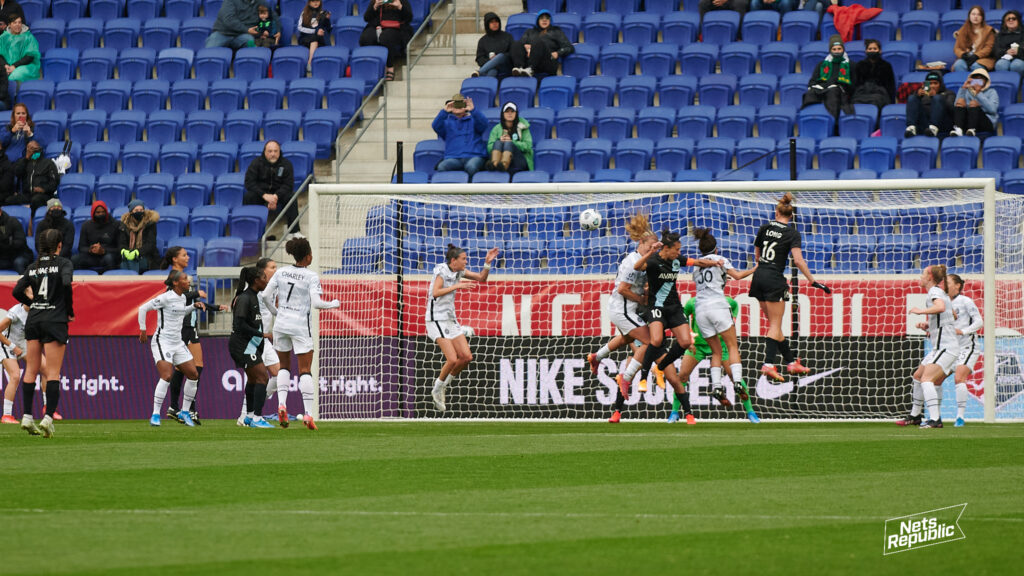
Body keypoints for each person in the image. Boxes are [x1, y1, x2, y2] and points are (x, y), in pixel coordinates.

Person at [260, 237, 340, 430]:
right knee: (304, 370)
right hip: (300, 326)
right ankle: (308, 414)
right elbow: (317, 303)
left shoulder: (281, 272)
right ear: (308, 255)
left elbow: (264, 296)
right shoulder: (311, 276)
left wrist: (276, 313)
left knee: (284, 367)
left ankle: (281, 405)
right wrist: (334, 303)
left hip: (281, 324)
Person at [750, 192, 831, 382]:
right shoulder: (791, 233)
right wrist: (812, 280)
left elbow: (756, 256)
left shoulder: (764, 228)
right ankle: (768, 364)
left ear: (776, 212)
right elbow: (798, 260)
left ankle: (791, 362)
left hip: (759, 276)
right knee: (775, 326)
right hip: (774, 279)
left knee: (774, 327)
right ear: (791, 216)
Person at [587, 213, 656, 425]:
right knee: (648, 341)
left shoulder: (640, 260)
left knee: (626, 339)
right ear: (642, 243)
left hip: (624, 310)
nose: (654, 249)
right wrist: (642, 299)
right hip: (623, 309)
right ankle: (626, 378)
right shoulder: (631, 262)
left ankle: (595, 357)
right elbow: (623, 289)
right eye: (652, 246)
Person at [12, 228, 73, 438]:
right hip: (55, 320)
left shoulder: (33, 267)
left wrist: (34, 303)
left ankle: (27, 416)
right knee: (53, 372)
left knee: (31, 370)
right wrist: (69, 310)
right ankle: (47, 418)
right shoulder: (64, 263)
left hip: (35, 320)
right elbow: (66, 283)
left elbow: (16, 291)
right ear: (59, 245)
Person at [424, 242, 499, 413]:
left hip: (450, 319)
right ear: (453, 260)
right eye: (463, 259)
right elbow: (435, 292)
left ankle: (443, 386)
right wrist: (457, 286)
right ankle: (437, 389)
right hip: (436, 319)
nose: (466, 262)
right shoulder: (441, 271)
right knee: (452, 359)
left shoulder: (459, 271)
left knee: (466, 357)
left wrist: (487, 262)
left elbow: (482, 278)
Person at [668, 295, 761, 424]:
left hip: (721, 345)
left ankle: (751, 412)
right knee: (682, 376)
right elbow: (682, 317)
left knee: (735, 377)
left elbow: (734, 307)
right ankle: (674, 412)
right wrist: (689, 335)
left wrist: (732, 320)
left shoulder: (729, 302)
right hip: (698, 346)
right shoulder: (692, 302)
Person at [158, 245, 225, 425]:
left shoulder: (184, 277)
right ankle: (186, 409)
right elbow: (172, 297)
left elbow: (192, 300)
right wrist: (196, 293)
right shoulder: (174, 277)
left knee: (187, 369)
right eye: (184, 255)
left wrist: (213, 307)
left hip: (190, 325)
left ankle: (177, 407)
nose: (187, 257)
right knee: (195, 368)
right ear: (174, 259)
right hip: (182, 327)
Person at [630, 229, 696, 403]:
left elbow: (695, 261)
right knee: (656, 340)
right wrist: (651, 251)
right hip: (656, 307)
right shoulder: (653, 261)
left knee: (685, 342)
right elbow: (637, 267)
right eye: (677, 249)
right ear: (666, 248)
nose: (679, 253)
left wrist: (713, 262)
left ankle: (659, 368)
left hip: (674, 307)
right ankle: (643, 376)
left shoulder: (677, 261)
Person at [138, 270, 203, 427]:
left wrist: (193, 306)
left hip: (178, 343)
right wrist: (143, 329)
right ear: (176, 283)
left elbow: (181, 311)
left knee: (194, 374)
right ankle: (155, 415)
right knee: (167, 376)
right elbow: (142, 308)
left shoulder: (182, 298)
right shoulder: (165, 298)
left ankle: (185, 412)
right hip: (163, 341)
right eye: (185, 279)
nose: (188, 282)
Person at [898, 265, 960, 429]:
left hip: (946, 347)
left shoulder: (935, 292)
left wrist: (920, 311)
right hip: (940, 346)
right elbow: (952, 315)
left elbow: (940, 308)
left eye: (923, 274)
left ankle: (935, 419)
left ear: (930, 277)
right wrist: (929, 325)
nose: (920, 277)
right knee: (918, 376)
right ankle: (915, 415)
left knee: (927, 379)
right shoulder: (940, 292)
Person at [237, 257, 284, 427]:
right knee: (254, 379)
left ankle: (254, 407)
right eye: (272, 267)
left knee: (280, 374)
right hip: (252, 339)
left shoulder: (272, 288)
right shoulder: (253, 290)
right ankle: (245, 416)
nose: (275, 269)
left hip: (263, 339)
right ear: (262, 271)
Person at [231, 265, 275, 428]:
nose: (266, 280)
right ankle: (257, 418)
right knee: (262, 377)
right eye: (264, 277)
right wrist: (262, 334)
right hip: (243, 345)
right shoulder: (245, 298)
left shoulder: (254, 296)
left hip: (249, 345)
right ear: (256, 280)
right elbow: (239, 324)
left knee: (252, 379)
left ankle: (249, 416)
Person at [948, 274, 982, 428]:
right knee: (932, 379)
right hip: (949, 348)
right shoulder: (942, 303)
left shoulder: (966, 301)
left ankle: (960, 417)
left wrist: (964, 331)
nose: (945, 285)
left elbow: (979, 321)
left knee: (959, 377)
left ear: (957, 286)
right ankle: (934, 418)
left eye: (948, 282)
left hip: (968, 346)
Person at [244, 140, 299, 235]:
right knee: (249, 196)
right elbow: (249, 183)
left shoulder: (286, 164)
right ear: (264, 152)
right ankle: (251, 231)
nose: (273, 154)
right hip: (261, 195)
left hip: (279, 195)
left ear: (279, 152)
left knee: (291, 197)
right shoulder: (256, 163)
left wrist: (275, 197)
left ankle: (294, 232)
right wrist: (264, 195)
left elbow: (288, 185)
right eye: (270, 151)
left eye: (275, 151)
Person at [803, 34, 855, 129]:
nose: (837, 51)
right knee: (810, 94)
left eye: (839, 49)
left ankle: (833, 125)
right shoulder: (822, 64)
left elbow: (854, 83)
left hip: (839, 90)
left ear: (843, 49)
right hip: (822, 89)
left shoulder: (850, 65)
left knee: (833, 92)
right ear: (830, 50)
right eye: (834, 49)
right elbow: (813, 80)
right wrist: (816, 86)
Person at [432, 93, 488, 176]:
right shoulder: (447, 123)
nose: (458, 107)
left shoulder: (473, 120)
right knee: (442, 166)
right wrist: (444, 112)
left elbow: (484, 124)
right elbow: (435, 126)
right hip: (453, 157)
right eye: (455, 104)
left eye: (460, 104)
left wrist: (473, 110)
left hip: (473, 156)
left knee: (471, 166)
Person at [359, 0, 413, 82]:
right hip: (376, 27)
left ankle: (389, 67)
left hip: (396, 28)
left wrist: (400, 7)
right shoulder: (375, 1)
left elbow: (409, 18)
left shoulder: (401, 1)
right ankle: (372, 67)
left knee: (386, 38)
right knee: (366, 38)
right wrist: (375, 6)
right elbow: (366, 18)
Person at [509, 10, 574, 78]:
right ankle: (519, 68)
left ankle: (530, 69)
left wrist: (558, 53)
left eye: (547, 18)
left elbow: (569, 47)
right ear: (538, 20)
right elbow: (521, 44)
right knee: (516, 43)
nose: (544, 20)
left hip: (547, 61)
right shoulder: (530, 31)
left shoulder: (556, 32)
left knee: (538, 42)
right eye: (542, 18)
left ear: (550, 20)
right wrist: (527, 48)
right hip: (530, 58)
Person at [0, 291, 30, 424]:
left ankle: (49, 410)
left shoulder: (38, 311)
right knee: (15, 375)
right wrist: (13, 347)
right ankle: (6, 415)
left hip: (23, 344)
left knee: (46, 369)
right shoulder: (16, 312)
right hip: (7, 344)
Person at [206, 0, 281, 50]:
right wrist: (247, 30)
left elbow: (273, 16)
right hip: (223, 33)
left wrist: (278, 30)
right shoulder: (230, 1)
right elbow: (228, 20)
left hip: (242, 35)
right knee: (209, 52)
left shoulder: (261, 2)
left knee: (251, 43)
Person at [11, 139, 58, 214]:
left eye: (35, 149)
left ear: (39, 149)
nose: (33, 151)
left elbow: (54, 182)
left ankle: (32, 221)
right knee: (8, 200)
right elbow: (17, 173)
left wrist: (43, 189)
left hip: (44, 195)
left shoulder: (48, 163)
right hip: (27, 194)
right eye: (30, 149)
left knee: (36, 200)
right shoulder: (24, 162)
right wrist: (26, 158)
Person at [71, 201, 119, 274]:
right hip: (91, 256)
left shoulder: (115, 225)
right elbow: (81, 247)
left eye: (103, 212)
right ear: (93, 213)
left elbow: (118, 249)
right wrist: (91, 249)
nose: (101, 214)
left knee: (109, 258)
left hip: (108, 255)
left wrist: (103, 250)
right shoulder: (86, 225)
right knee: (75, 259)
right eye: (98, 212)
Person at [485, 102, 533, 175]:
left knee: (509, 143)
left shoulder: (523, 126)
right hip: (499, 161)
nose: (509, 114)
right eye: (507, 111)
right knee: (498, 142)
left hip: (519, 161)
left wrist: (513, 142)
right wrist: (501, 141)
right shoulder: (496, 128)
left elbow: (528, 146)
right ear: (503, 114)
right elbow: (489, 148)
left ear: (516, 113)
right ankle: (494, 164)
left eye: (512, 111)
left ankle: (503, 165)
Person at [904, 71, 954, 138]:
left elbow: (952, 110)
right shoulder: (922, 94)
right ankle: (911, 128)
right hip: (925, 124)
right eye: (930, 83)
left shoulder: (949, 93)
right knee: (912, 98)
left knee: (937, 98)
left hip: (942, 124)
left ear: (940, 84)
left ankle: (933, 128)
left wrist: (937, 96)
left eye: (935, 83)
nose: (932, 86)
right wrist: (917, 95)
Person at [950, 68, 998, 137]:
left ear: (986, 81)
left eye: (981, 79)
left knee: (973, 103)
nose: (977, 81)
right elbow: (957, 105)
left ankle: (972, 129)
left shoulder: (992, 92)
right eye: (975, 79)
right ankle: (958, 129)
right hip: (968, 119)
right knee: (960, 101)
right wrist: (963, 89)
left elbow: (992, 110)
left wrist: (978, 93)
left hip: (986, 121)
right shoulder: (968, 91)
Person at [851, 39, 895, 114]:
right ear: (866, 51)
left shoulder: (886, 65)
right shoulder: (860, 65)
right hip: (862, 92)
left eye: (875, 49)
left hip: (880, 93)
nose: (872, 51)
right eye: (870, 49)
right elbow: (856, 83)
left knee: (876, 102)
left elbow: (890, 85)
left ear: (880, 51)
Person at [118, 200, 160, 273]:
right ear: (131, 212)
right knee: (126, 262)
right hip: (129, 254)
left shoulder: (150, 224)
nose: (139, 212)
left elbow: (151, 244)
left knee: (133, 263)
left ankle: (132, 280)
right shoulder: (124, 225)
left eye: (141, 210)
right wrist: (124, 251)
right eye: (136, 210)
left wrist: (137, 252)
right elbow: (121, 242)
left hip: (147, 255)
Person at [952, 5, 995, 72]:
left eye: (979, 15)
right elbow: (957, 48)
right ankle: (962, 82)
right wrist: (963, 55)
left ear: (982, 17)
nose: (975, 17)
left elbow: (988, 48)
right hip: (966, 57)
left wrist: (976, 56)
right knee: (959, 64)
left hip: (982, 58)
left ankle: (976, 82)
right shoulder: (962, 30)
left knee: (976, 66)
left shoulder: (989, 31)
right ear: (969, 16)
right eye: (973, 14)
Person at [473, 12, 513, 78]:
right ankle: (488, 87)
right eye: (491, 22)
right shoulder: (482, 40)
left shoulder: (507, 36)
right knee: (492, 70)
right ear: (487, 24)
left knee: (500, 56)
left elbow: (512, 52)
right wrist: (491, 62)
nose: (495, 24)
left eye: (496, 21)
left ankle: (479, 72)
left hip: (505, 66)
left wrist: (497, 59)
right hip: (490, 67)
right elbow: (479, 58)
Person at [0, 14, 39, 81]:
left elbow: (30, 56)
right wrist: (5, 65)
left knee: (15, 76)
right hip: (6, 66)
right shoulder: (3, 37)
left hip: (25, 66)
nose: (17, 24)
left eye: (19, 22)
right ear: (9, 24)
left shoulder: (28, 37)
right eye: (15, 22)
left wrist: (14, 66)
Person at [298, 0, 332, 74]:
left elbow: (328, 29)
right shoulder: (304, 13)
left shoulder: (323, 13)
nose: (316, 3)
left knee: (316, 39)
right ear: (309, 2)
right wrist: (314, 31)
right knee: (314, 39)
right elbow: (300, 28)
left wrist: (327, 19)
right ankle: (310, 63)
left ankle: (310, 63)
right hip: (306, 38)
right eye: (313, 1)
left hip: (320, 39)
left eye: (317, 1)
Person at [0, 203, 30, 273]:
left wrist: (7, 243)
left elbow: (21, 242)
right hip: (3, 257)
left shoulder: (13, 222)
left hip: (18, 255)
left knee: (18, 263)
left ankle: (25, 282)